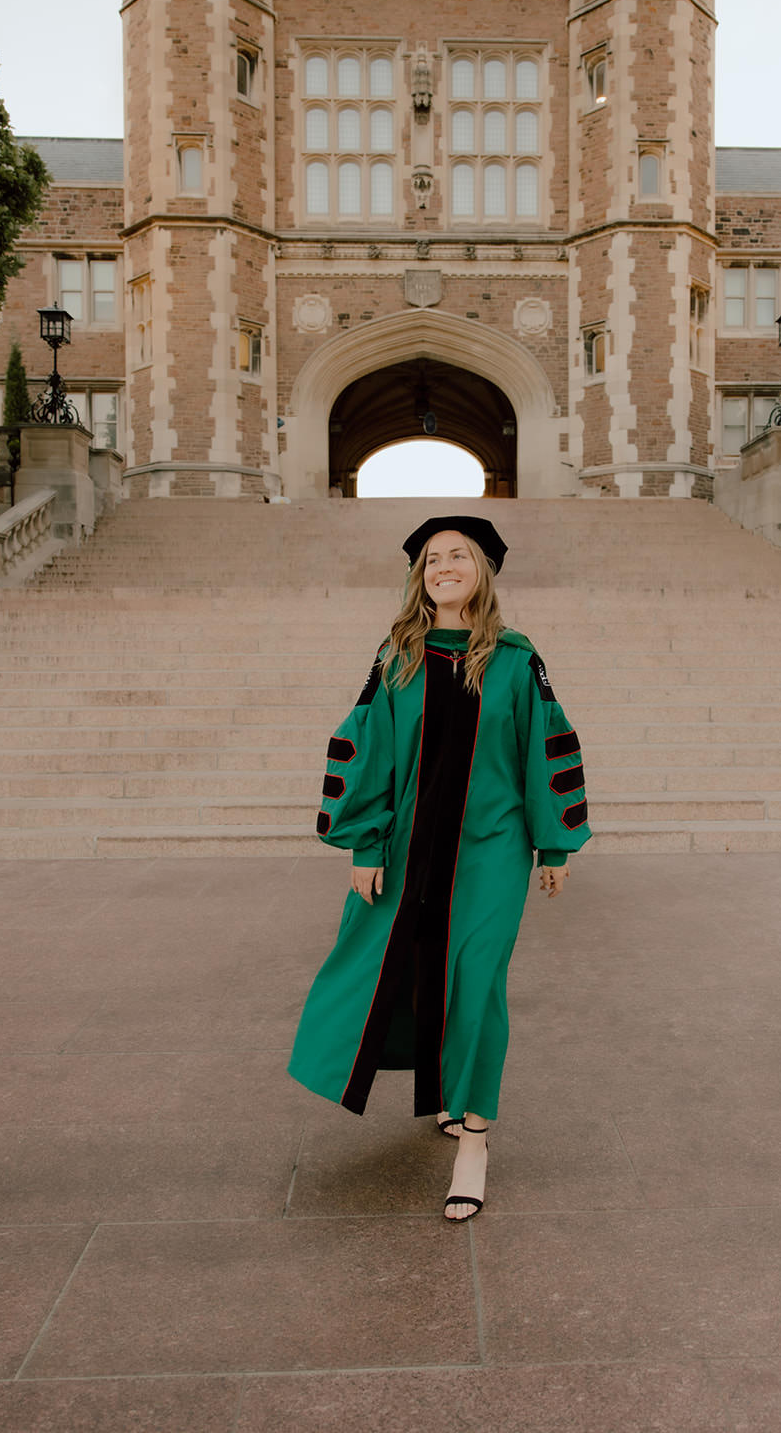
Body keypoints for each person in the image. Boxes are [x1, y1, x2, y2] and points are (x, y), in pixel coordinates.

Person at [287, 515, 591, 1221]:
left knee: (477, 980)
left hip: (491, 849)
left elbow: (544, 744)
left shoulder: (516, 658)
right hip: (405, 848)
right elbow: (367, 743)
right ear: (419, 578)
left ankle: (473, 1140)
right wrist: (364, 843)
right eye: (432, 559)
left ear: (483, 571)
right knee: (392, 970)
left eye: (459, 556)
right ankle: (446, 1092)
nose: (444, 566)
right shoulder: (398, 654)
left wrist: (553, 845)